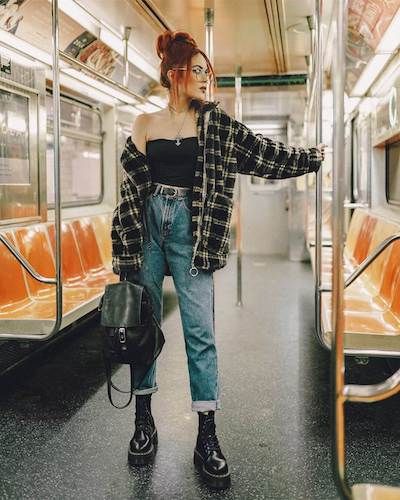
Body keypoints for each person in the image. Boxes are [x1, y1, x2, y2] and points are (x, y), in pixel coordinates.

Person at [111, 30, 325, 490]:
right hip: (147, 229)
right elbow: (129, 191)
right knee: (145, 328)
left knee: (200, 334)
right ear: (174, 73)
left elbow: (265, 154)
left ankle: (206, 435)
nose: (209, 78)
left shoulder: (216, 124)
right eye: (200, 70)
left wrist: (310, 158)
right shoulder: (144, 122)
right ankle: (143, 423)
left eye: (211, 71)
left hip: (193, 229)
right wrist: (125, 247)